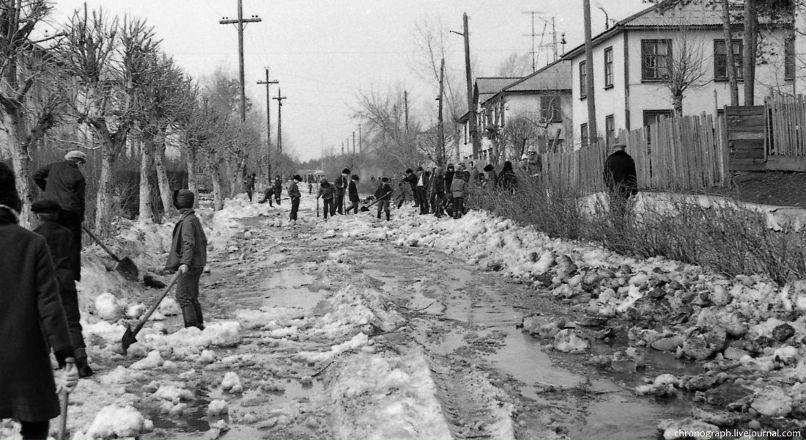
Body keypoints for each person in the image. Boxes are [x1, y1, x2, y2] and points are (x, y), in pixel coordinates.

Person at [0, 163, 79, 440]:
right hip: (25, 359)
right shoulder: (31, 243)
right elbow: (50, 305)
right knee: (35, 427)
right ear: (15, 204)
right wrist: (66, 354)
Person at [32, 199, 94, 378]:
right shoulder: (67, 234)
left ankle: (41, 365)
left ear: (38, 216)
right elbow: (74, 259)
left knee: (43, 323)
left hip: (45, 284)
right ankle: (81, 363)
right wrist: (73, 276)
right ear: (56, 215)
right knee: (72, 323)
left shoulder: (35, 236)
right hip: (66, 281)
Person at [33, 150, 87, 283]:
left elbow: (36, 175)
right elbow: (80, 199)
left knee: (50, 239)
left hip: (51, 210)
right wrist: (80, 217)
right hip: (70, 212)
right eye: (82, 163)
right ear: (78, 161)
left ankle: (47, 270)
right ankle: (73, 275)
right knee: (73, 243)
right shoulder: (78, 176)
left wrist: (47, 189)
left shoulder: (53, 166)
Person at [164, 189, 207, 330]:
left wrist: (185, 263)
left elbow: (189, 243)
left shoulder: (188, 221)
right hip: (197, 263)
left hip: (191, 264)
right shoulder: (192, 218)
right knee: (191, 296)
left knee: (183, 296)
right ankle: (199, 325)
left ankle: (191, 328)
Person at [603, 143, 638, 220]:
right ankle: (622, 225)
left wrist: (609, 186)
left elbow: (606, 176)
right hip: (626, 189)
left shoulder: (610, 160)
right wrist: (634, 190)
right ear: (623, 150)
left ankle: (616, 226)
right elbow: (633, 176)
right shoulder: (629, 160)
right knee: (623, 206)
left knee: (614, 207)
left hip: (614, 188)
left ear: (615, 150)